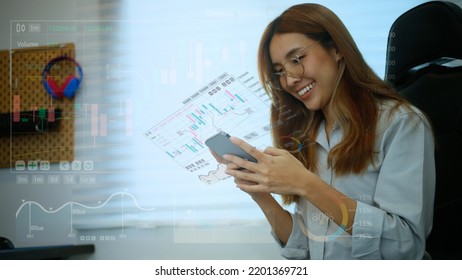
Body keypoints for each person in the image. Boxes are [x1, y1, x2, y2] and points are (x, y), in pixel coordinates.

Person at [212, 3, 435, 259]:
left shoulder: (400, 123)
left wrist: (306, 184)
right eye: (280, 71)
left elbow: (404, 246)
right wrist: (260, 194)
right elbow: (305, 247)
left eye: (296, 59)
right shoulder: (306, 135)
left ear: (336, 48)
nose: (290, 79)